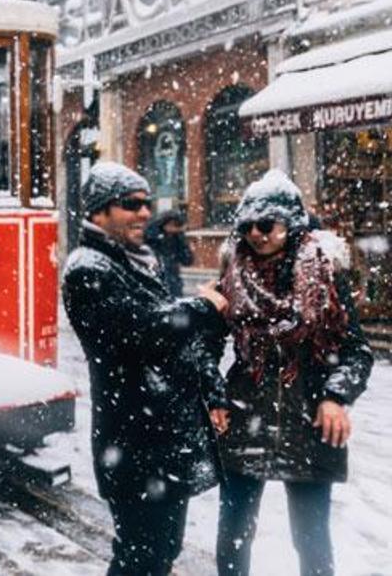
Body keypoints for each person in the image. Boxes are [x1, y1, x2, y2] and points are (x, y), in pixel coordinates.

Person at [61, 162, 228, 576]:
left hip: (162, 439)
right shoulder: (88, 268)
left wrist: (212, 389)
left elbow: (174, 340)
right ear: (99, 212)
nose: (143, 213)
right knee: (141, 558)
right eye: (130, 204)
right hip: (134, 442)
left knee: (161, 553)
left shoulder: (138, 260)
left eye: (146, 203)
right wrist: (202, 307)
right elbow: (144, 332)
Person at [212, 170, 373, 576]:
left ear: (292, 223)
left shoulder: (326, 276)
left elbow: (356, 351)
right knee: (234, 533)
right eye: (247, 226)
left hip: (308, 422)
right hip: (245, 417)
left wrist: (335, 396)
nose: (257, 235)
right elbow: (204, 346)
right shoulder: (232, 274)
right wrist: (214, 396)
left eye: (267, 225)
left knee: (312, 539)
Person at [144, 209, 194, 296]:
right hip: (155, 281)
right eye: (171, 224)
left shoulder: (177, 239)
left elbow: (187, 261)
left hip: (173, 282)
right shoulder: (152, 238)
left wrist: (186, 247)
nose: (173, 228)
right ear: (164, 224)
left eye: (176, 225)